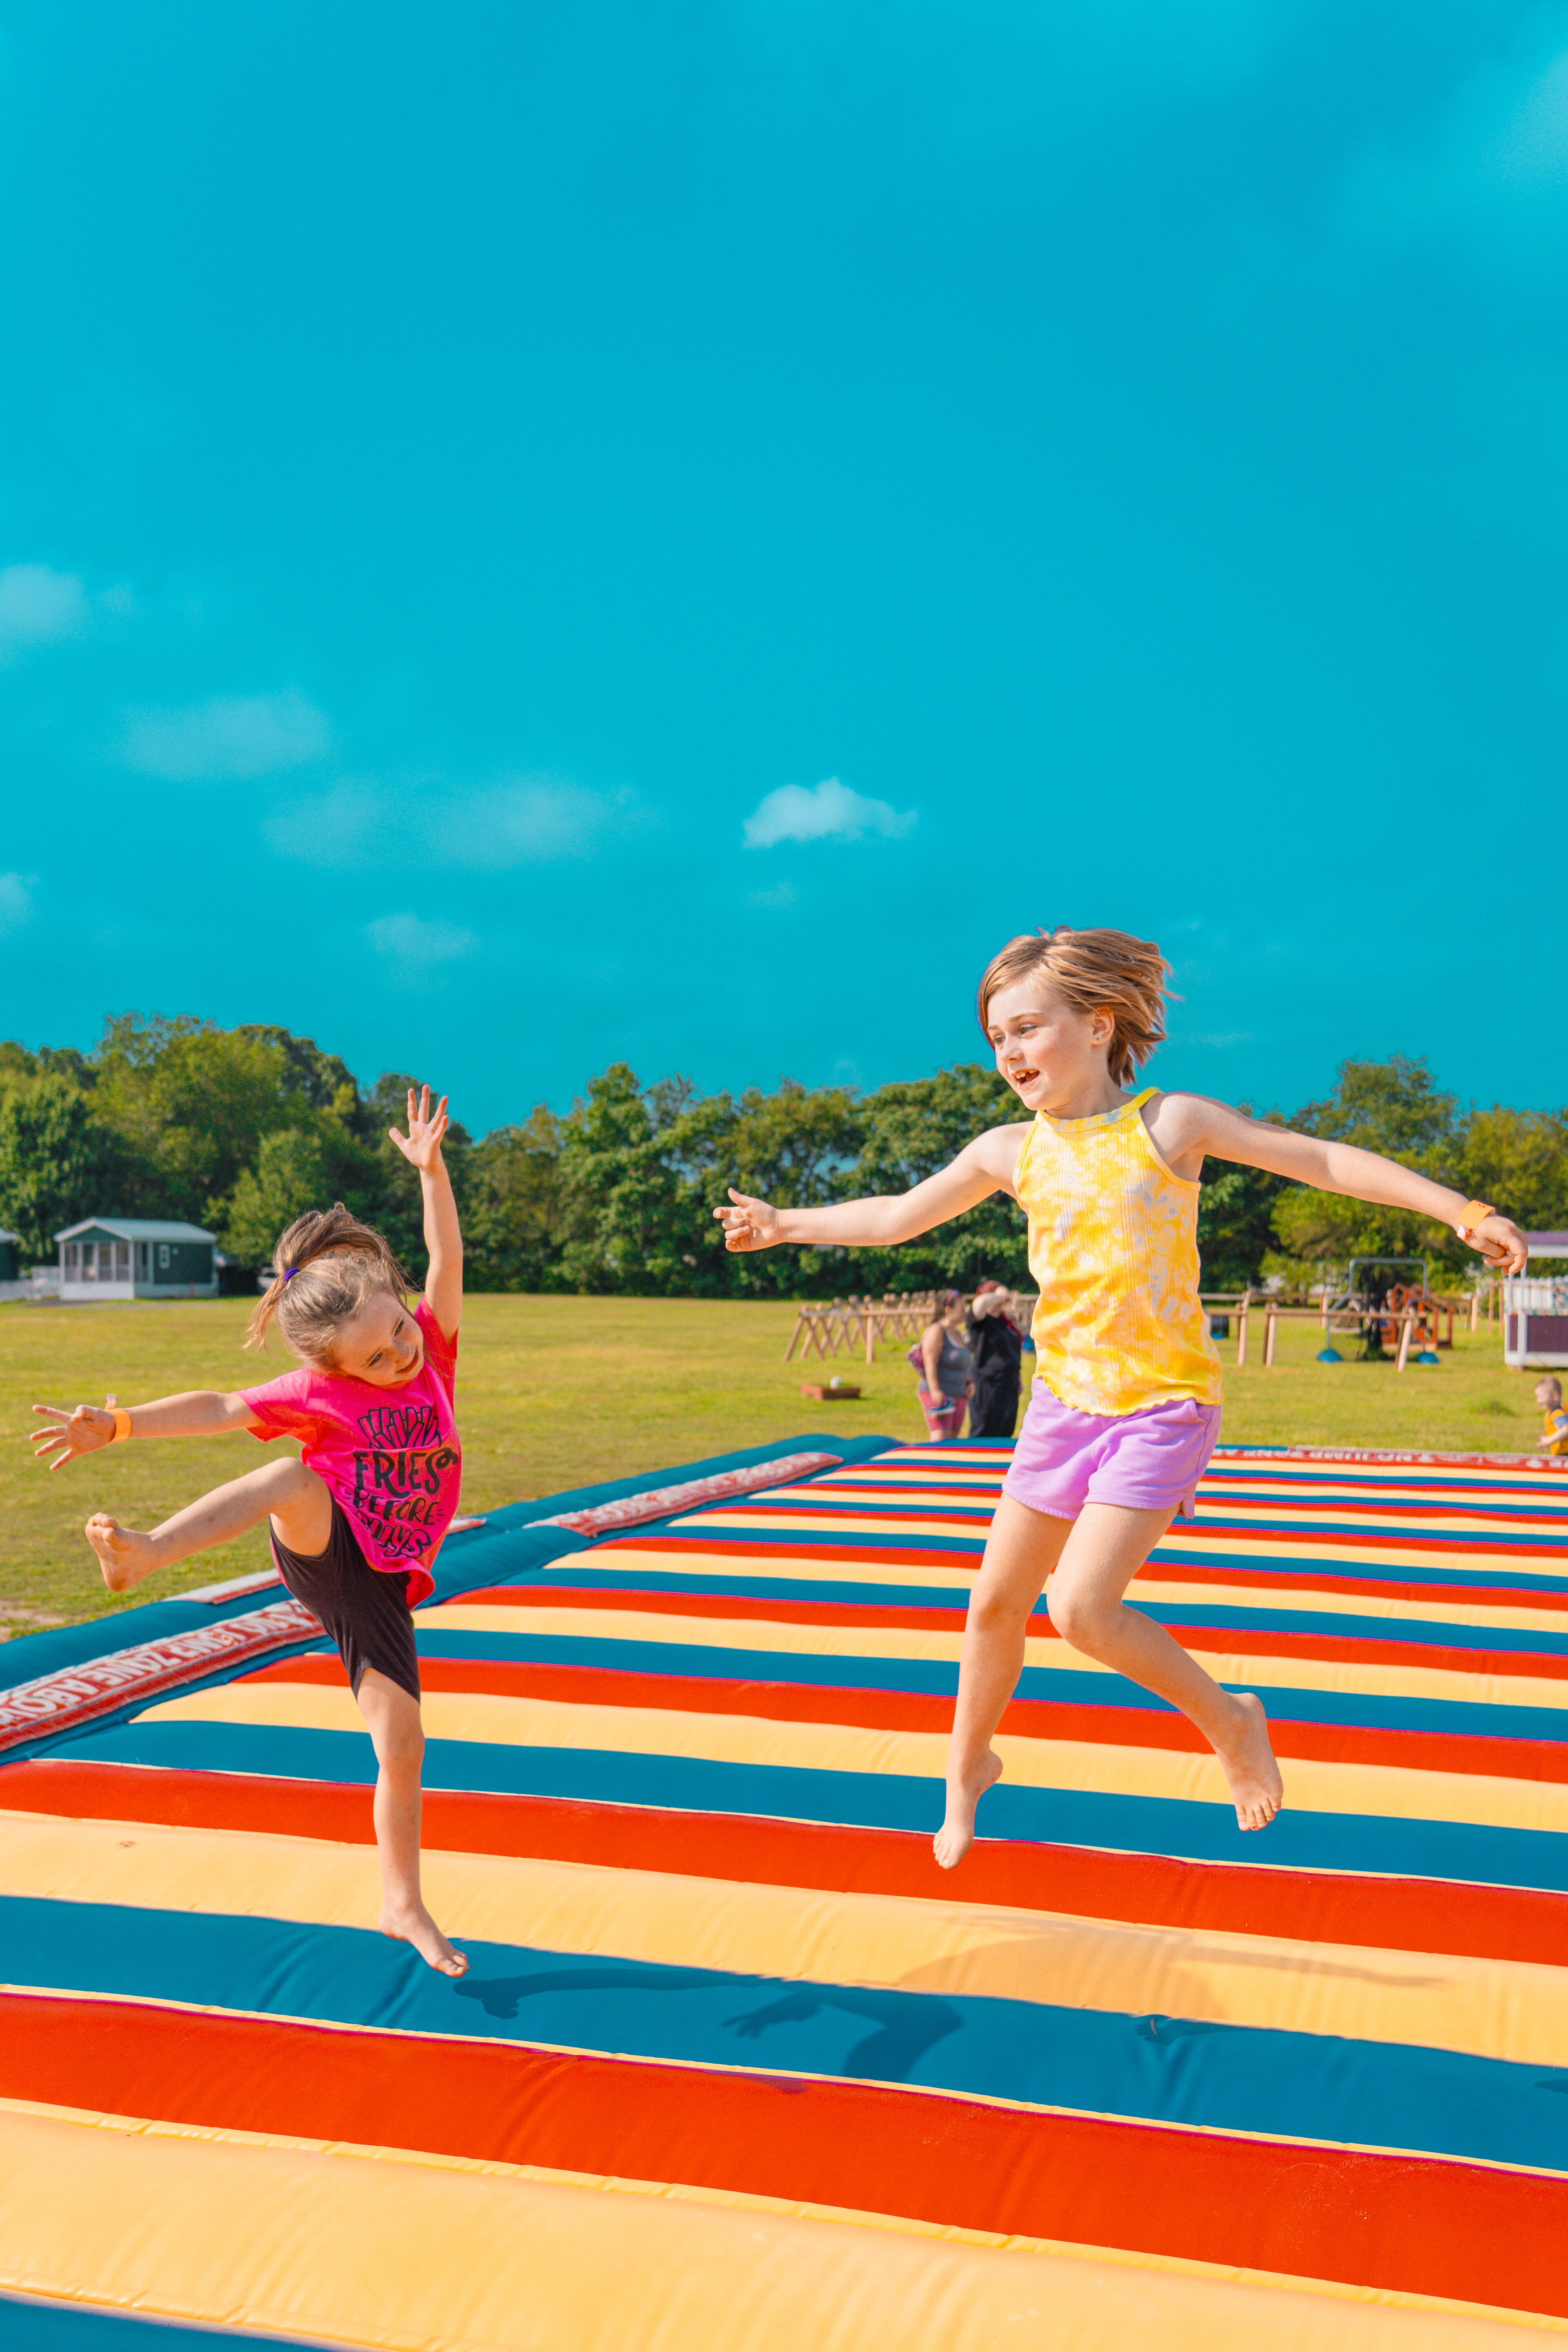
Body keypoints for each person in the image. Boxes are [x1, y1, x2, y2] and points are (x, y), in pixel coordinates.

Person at [715, 925, 1529, 1863]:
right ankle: (968, 1762)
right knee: (990, 1605)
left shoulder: (1167, 1123)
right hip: (1063, 1406)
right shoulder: (1007, 1150)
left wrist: (1459, 1209)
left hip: (1162, 1404)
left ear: (1098, 1024)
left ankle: (1229, 1721)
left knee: (1080, 1609)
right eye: (995, 1038)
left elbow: (1321, 1159)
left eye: (1026, 1027)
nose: (1009, 1053)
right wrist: (784, 1222)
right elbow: (897, 1217)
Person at [32, 1086, 470, 1978]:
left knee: (404, 1744)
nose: (399, 1360)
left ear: (395, 1300)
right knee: (286, 1476)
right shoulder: (319, 1392)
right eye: (377, 1359)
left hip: (387, 1581)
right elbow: (222, 1406)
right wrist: (118, 1426)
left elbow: (445, 1254)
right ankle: (146, 1553)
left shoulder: (432, 1338)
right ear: (336, 1367)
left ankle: (401, 1903)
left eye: (395, 1335)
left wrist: (433, 1172)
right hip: (331, 1548)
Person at [967, 1277, 1026, 1438]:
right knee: (985, 1429)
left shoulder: (1005, 1322)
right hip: (988, 1384)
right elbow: (979, 1305)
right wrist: (999, 1293)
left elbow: (1012, 1353)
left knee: (1006, 1430)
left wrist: (1019, 1379)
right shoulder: (980, 1322)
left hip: (1009, 1384)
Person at [914, 1289, 973, 1439]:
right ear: (948, 1310)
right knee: (940, 1441)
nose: (965, 1312)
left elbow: (963, 1363)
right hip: (941, 1396)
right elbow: (930, 1363)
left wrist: (969, 1382)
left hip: (958, 1395)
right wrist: (935, 1391)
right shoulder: (937, 1331)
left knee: (952, 1445)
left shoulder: (957, 1333)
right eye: (961, 1309)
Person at [1535, 1376, 1568, 1456]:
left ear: (1555, 1396)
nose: (1538, 1401)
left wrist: (1548, 1441)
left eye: (1541, 1397)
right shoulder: (1564, 1407)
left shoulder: (1557, 1412)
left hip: (1564, 1454)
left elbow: (1566, 1429)